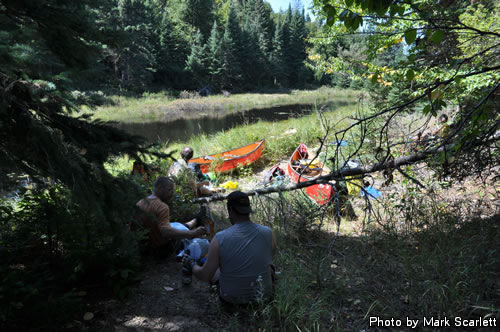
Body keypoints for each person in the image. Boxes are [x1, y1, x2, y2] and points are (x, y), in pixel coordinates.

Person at [188, 191, 277, 306]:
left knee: (214, 270)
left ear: (230, 210)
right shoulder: (268, 233)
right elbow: (270, 258)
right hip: (264, 300)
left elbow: (205, 275)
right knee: (269, 268)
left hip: (231, 303)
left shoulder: (220, 238)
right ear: (248, 209)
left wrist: (192, 265)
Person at [136, 177, 206, 252]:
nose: (172, 193)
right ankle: (197, 221)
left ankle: (196, 220)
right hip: (160, 249)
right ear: (159, 188)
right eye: (169, 190)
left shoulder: (140, 202)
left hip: (143, 248)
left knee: (176, 225)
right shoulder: (162, 207)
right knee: (189, 238)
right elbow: (165, 232)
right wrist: (192, 233)